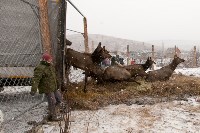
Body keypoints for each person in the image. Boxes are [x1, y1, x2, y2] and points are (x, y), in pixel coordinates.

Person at [30, 53, 62, 121]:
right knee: (52, 101)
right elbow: (36, 79)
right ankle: (53, 116)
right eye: (49, 59)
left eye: (50, 59)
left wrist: (58, 84)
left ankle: (52, 112)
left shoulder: (50, 66)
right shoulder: (39, 68)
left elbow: (54, 77)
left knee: (59, 99)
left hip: (53, 87)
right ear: (45, 60)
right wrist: (34, 89)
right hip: (47, 88)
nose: (50, 61)